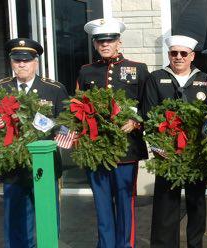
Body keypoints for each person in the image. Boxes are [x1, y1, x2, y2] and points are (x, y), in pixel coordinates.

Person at [77, 18, 150, 248]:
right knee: (102, 204)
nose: (105, 44)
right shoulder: (86, 71)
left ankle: (125, 245)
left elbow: (148, 106)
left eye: (109, 40)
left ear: (119, 42)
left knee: (125, 201)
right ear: (95, 44)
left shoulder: (138, 69)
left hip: (126, 149)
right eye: (100, 40)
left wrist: (136, 122)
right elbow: (77, 107)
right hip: (96, 148)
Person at [0, 38, 68, 248]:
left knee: (47, 215)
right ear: (11, 62)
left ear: (36, 62)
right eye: (17, 60)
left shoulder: (53, 89)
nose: (22, 65)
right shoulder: (1, 88)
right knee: (15, 217)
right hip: (13, 166)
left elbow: (66, 123)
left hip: (44, 166)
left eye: (26, 60)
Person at [142, 35, 207, 248]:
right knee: (165, 205)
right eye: (174, 53)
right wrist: (158, 148)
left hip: (196, 153)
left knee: (197, 203)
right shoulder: (156, 78)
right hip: (166, 153)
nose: (178, 57)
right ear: (169, 55)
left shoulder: (205, 80)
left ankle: (195, 244)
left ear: (192, 56)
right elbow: (149, 117)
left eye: (183, 53)